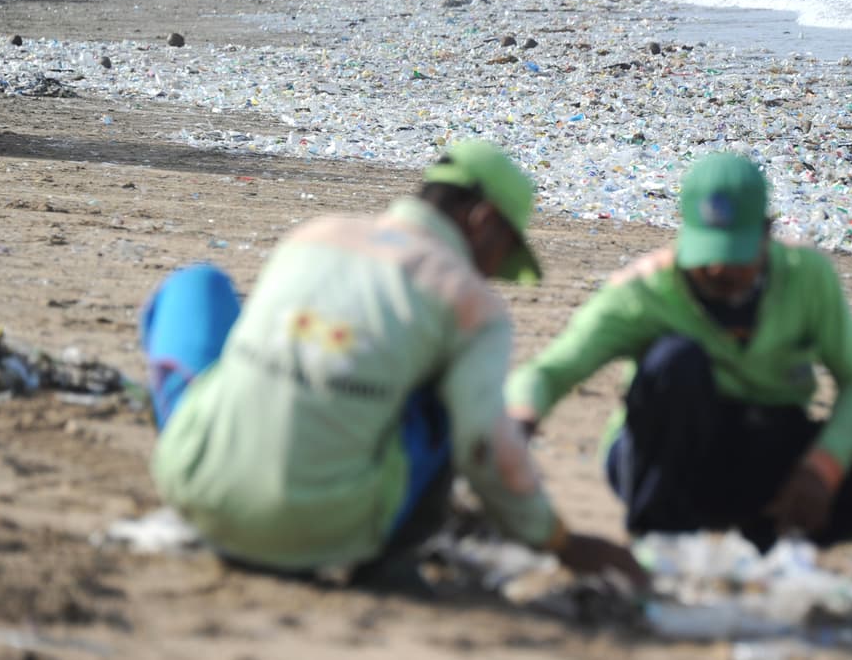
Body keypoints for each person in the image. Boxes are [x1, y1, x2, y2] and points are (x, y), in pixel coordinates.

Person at [142, 140, 645, 586]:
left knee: (198, 286)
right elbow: (484, 447)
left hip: (195, 492)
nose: (492, 272)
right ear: (484, 221)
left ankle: (201, 452)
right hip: (321, 532)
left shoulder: (315, 235)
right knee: (450, 393)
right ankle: (391, 563)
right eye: (504, 252)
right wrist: (559, 541)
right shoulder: (468, 302)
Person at [506, 153, 852, 553]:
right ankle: (663, 540)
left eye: (736, 256)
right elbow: (552, 370)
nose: (720, 270)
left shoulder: (807, 277)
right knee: (675, 361)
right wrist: (521, 419)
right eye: (708, 254)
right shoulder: (642, 292)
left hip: (768, 450)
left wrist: (824, 466)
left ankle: (780, 542)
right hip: (666, 457)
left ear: (767, 234)